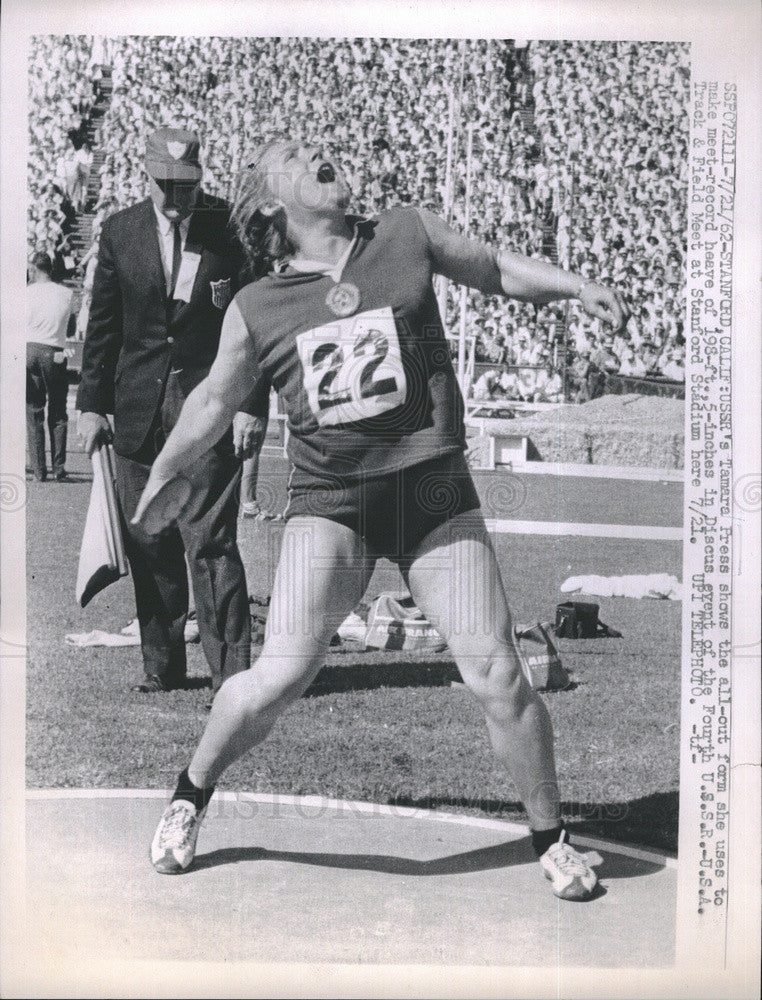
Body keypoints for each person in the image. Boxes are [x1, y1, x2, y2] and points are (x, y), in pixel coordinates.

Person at [133, 139, 629, 900]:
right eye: (297, 156)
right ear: (270, 203)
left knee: (498, 671)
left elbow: (493, 268)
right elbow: (210, 401)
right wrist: (164, 473)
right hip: (332, 506)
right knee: (279, 676)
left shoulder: (404, 233)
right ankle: (189, 794)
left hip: (431, 493)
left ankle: (551, 839)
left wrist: (575, 285)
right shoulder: (258, 305)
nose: (320, 154)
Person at [77, 127, 261, 696]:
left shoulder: (230, 230)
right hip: (136, 408)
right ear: (145, 176)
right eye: (166, 186)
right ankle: (162, 668)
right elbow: (103, 327)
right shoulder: (119, 232)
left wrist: (252, 404)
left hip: (208, 407)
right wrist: (90, 406)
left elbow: (258, 321)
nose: (177, 198)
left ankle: (232, 673)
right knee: (149, 539)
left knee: (210, 540)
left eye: (187, 186)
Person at [26, 251, 74, 482]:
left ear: (34, 269)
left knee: (34, 410)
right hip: (54, 351)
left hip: (31, 349)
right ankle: (59, 467)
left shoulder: (26, 293)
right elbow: (72, 328)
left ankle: (38, 470)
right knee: (58, 410)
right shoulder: (66, 293)